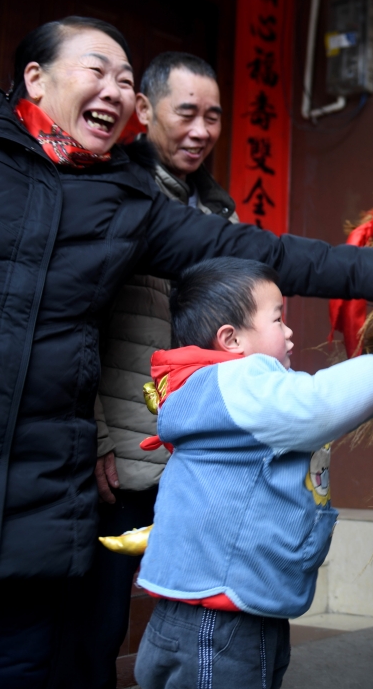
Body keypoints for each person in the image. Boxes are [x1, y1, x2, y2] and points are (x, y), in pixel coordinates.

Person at [0, 17, 373, 688]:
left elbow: (251, 251)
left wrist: (370, 272)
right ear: (34, 78)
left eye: (126, 79)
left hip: (27, 507)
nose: (116, 89)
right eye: (97, 69)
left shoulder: (124, 200)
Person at [132, 257, 373, 688]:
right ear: (231, 340)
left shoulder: (207, 388)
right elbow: (315, 403)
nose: (288, 332)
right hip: (223, 613)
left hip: (206, 606)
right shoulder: (237, 379)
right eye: (277, 318)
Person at [85, 51, 237, 689]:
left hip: (193, 456)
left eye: (214, 116)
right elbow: (74, 321)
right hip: (122, 455)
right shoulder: (112, 194)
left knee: (187, 620)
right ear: (143, 111)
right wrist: (90, 436)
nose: (201, 131)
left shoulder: (219, 215)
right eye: (186, 114)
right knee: (96, 624)